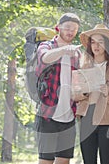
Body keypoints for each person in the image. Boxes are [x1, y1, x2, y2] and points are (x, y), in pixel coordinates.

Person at [74, 24, 109, 164]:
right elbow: (75, 95)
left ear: (107, 45)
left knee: (106, 161)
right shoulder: (83, 68)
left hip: (108, 120)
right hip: (87, 118)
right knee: (88, 161)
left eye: (100, 42)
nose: (96, 46)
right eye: (93, 42)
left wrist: (108, 93)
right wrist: (84, 92)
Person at [34, 13, 81, 164]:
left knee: (64, 161)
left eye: (74, 29)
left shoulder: (76, 54)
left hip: (68, 116)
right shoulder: (47, 46)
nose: (70, 32)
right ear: (58, 27)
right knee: (45, 161)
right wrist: (63, 50)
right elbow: (44, 58)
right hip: (47, 115)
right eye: (67, 27)